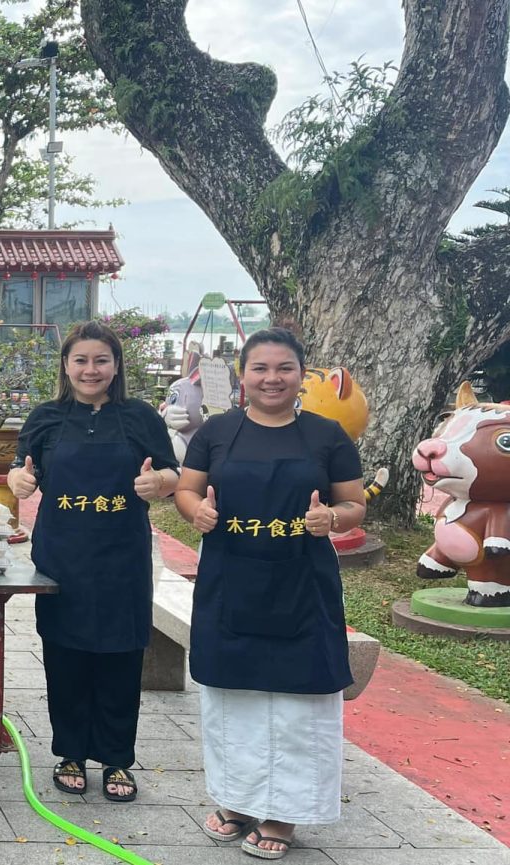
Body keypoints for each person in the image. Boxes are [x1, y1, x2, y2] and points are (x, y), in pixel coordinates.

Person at [174, 328, 364, 859]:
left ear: (301, 375)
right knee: (233, 699)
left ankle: (284, 816)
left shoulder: (327, 436)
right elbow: (187, 490)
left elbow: (354, 506)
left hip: (303, 585)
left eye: (284, 368)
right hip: (230, 580)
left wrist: (332, 517)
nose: (272, 378)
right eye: (260, 368)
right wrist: (198, 512)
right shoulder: (216, 432)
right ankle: (236, 801)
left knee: (300, 704)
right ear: (243, 375)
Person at [6, 319, 179, 803]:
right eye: (80, 360)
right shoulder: (45, 417)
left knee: (121, 656)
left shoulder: (141, 417)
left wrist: (159, 484)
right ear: (65, 365)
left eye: (101, 360)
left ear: (116, 365)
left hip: (121, 555)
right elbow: (22, 471)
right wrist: (17, 484)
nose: (90, 369)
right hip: (63, 555)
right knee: (65, 654)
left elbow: (172, 472)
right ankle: (71, 753)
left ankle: (118, 759)